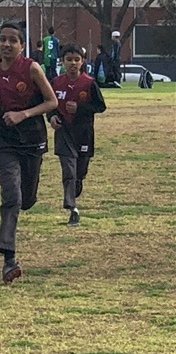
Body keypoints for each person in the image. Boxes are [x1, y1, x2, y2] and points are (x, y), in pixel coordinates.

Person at [0, 22, 58, 284]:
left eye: (13, 40)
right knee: (11, 194)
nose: (6, 44)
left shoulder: (31, 68)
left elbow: (52, 102)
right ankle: (8, 257)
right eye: (2, 39)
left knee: (26, 199)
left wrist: (23, 114)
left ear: (22, 46)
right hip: (3, 141)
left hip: (31, 138)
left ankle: (20, 210)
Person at [48, 44, 107, 226]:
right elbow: (49, 105)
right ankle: (71, 207)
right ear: (63, 61)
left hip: (83, 133)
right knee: (68, 169)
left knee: (79, 170)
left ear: (82, 62)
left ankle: (78, 182)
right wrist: (51, 118)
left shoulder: (89, 83)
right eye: (69, 59)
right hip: (64, 132)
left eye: (76, 59)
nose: (73, 63)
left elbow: (100, 106)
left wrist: (80, 108)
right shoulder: (56, 83)